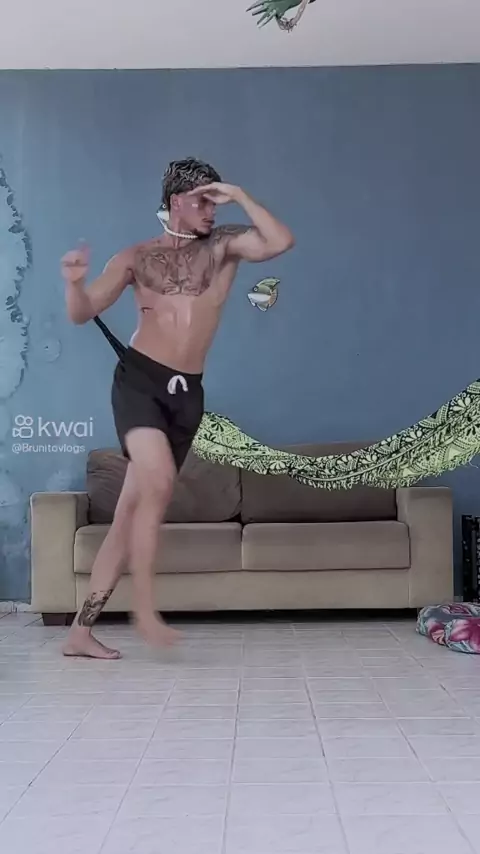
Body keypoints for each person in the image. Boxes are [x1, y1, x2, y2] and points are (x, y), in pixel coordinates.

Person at [60, 157, 295, 659]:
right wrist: (74, 284)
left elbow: (280, 241)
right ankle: (145, 609)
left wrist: (240, 194)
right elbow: (82, 313)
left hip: (187, 394)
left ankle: (79, 633)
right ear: (175, 203)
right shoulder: (135, 258)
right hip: (140, 382)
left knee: (128, 515)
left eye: (215, 200)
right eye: (202, 200)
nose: (211, 209)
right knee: (161, 481)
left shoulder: (225, 246)